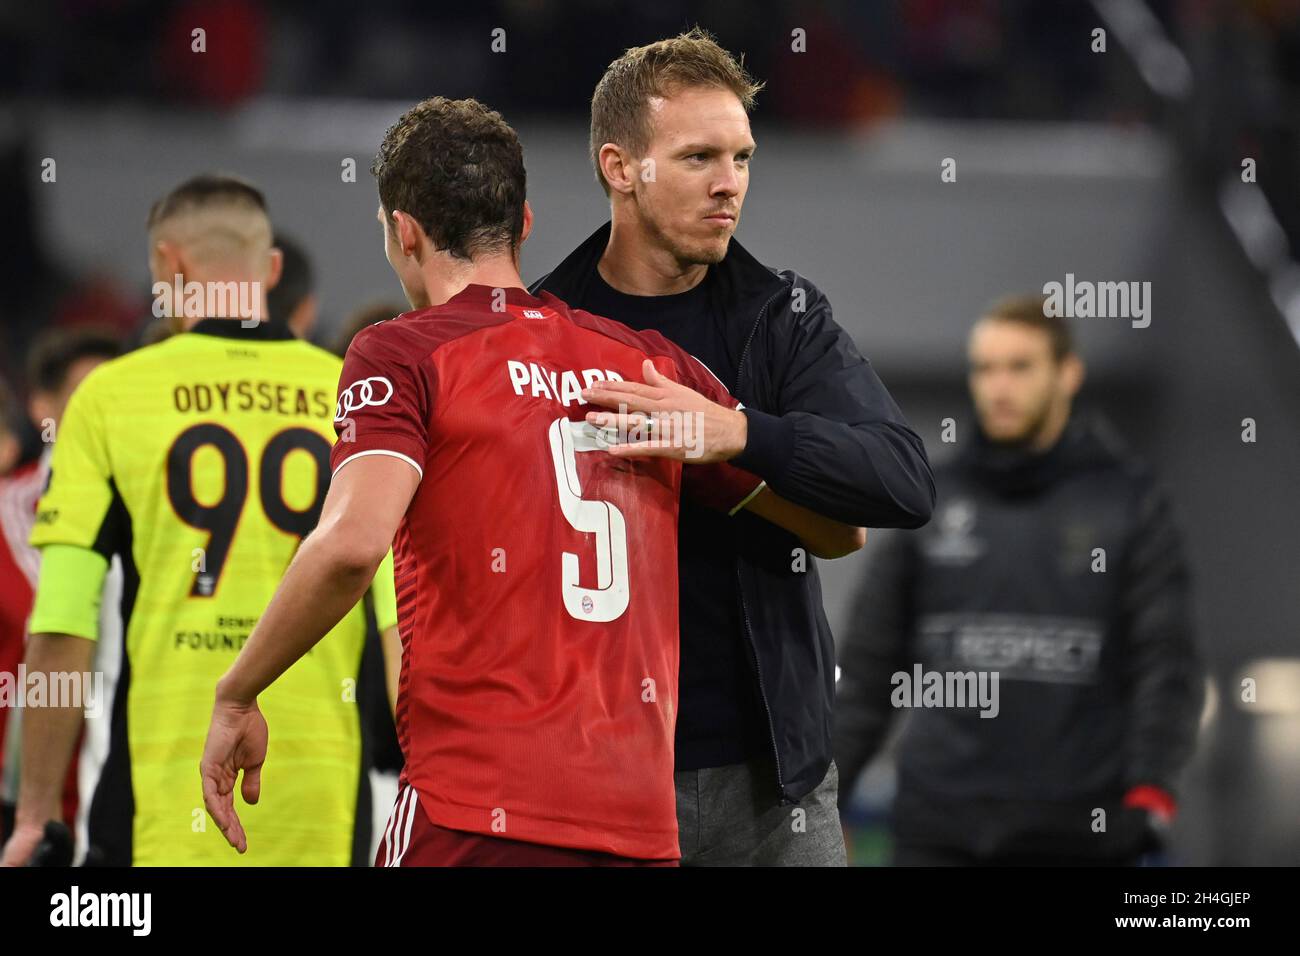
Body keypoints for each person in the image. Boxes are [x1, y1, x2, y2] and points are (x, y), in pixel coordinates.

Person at [200, 95, 863, 867]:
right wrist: (744, 436)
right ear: (524, 225)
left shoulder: (402, 353)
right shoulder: (644, 364)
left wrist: (238, 692)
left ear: (402, 232)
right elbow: (838, 528)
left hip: (475, 813)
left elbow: (351, 547)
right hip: (637, 830)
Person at [533, 29, 934, 865]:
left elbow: (902, 480)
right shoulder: (540, 331)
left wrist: (738, 432)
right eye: (698, 158)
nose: (729, 186)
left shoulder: (781, 316)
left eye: (743, 158)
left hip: (773, 790)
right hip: (595, 783)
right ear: (620, 168)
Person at [1, 174, 397, 867]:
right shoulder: (353, 393)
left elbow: (61, 625)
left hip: (159, 806)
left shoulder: (110, 397)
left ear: (169, 266)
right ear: (271, 270)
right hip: (323, 812)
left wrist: (33, 814)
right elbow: (401, 628)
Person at [834, 294, 1204, 865]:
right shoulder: (931, 499)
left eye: (1020, 366)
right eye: (985, 368)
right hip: (936, 829)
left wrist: (1151, 789)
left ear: (1068, 374)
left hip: (1076, 833)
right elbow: (867, 669)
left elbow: (1166, 664)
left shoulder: (1129, 503)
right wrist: (824, 797)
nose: (999, 386)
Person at [0, 327, 120, 853]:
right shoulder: (4, 511)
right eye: (86, 398)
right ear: (41, 408)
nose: (105, 414)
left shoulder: (163, 515)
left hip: (120, 802)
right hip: (19, 811)